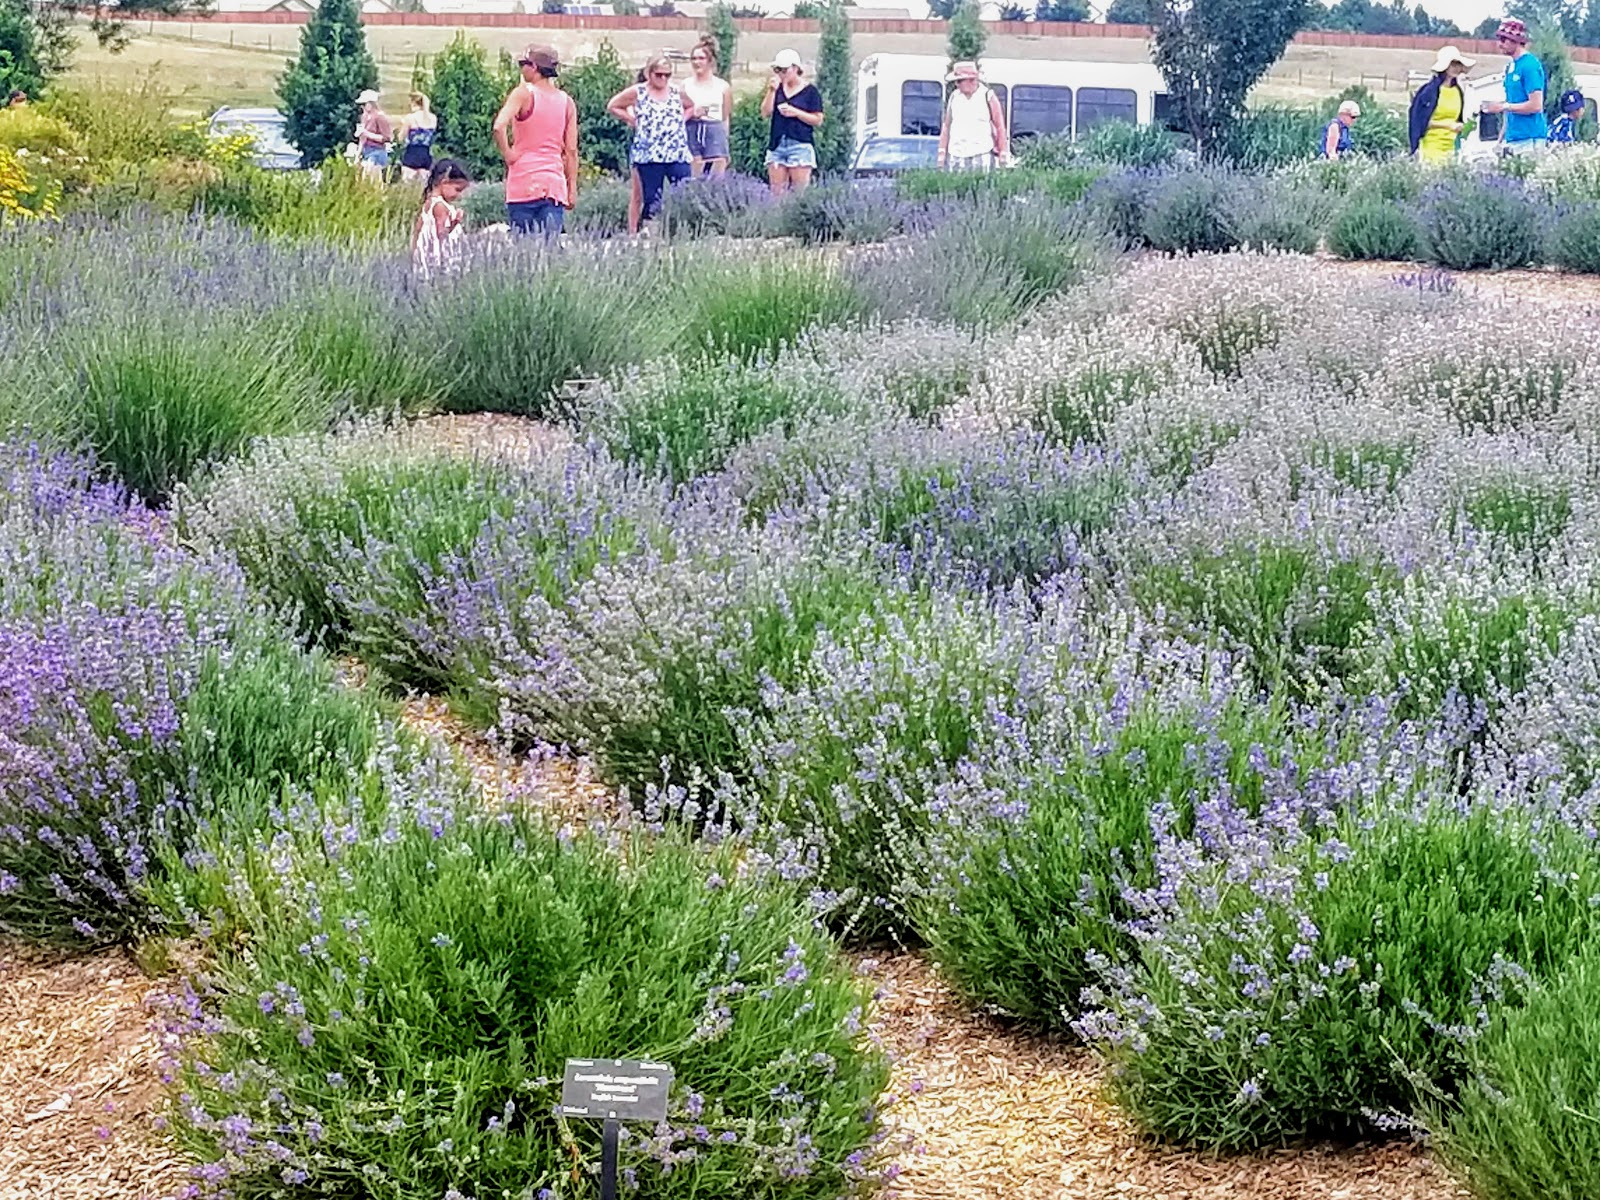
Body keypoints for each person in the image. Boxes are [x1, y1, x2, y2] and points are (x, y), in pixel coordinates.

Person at [493, 44, 580, 239]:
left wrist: (508, 153)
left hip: (523, 182)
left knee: (523, 251)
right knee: (549, 252)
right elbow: (571, 150)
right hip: (553, 184)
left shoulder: (523, 93)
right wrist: (571, 188)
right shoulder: (566, 102)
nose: (521, 69)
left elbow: (499, 126)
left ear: (533, 67)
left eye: (523, 64)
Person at [607, 55, 694, 234]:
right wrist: (631, 119)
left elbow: (690, 106)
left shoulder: (676, 92)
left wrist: (680, 121)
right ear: (649, 73)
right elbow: (613, 105)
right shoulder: (638, 92)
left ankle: (681, 230)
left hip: (675, 151)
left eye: (667, 75)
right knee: (652, 196)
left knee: (684, 192)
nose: (663, 79)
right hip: (649, 153)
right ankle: (650, 232)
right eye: (659, 75)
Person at [761, 49, 824, 194]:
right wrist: (771, 91)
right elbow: (765, 112)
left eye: (784, 70)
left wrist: (796, 113)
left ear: (795, 69)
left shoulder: (810, 92)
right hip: (777, 145)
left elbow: (818, 119)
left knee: (799, 194)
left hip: (800, 144)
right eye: (778, 70)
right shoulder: (777, 89)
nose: (781, 74)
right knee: (777, 194)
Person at [1482, 18, 1547, 154]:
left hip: (1530, 137)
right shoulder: (1510, 67)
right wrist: (1500, 141)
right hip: (1513, 137)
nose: (1499, 44)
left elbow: (1536, 105)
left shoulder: (1530, 66)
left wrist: (1503, 106)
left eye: (1503, 40)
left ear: (1516, 41)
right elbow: (1510, 106)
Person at [937, 60, 1009, 172]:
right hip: (956, 154)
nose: (957, 84)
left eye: (960, 81)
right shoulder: (954, 97)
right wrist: (942, 152)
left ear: (972, 80)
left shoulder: (987, 96)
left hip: (981, 153)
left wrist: (1003, 152)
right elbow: (947, 126)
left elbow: (1000, 126)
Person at [1408, 45, 1472, 164]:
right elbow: (1419, 121)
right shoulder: (1429, 92)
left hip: (1452, 146)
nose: (1456, 68)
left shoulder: (1458, 91)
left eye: (1458, 64)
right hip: (1432, 145)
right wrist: (1447, 125)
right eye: (1452, 64)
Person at [412, 159, 470, 279]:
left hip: (428, 256)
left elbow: (418, 229)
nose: (459, 196)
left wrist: (415, 251)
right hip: (440, 258)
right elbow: (441, 233)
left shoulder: (428, 203)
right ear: (444, 182)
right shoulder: (440, 206)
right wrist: (454, 223)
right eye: (457, 190)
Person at [684, 38, 733, 177]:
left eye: (701, 58)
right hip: (691, 130)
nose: (696, 62)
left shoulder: (722, 87)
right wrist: (692, 113)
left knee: (715, 179)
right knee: (693, 178)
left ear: (709, 61)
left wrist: (725, 142)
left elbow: (725, 117)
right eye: (693, 58)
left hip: (714, 131)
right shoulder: (685, 85)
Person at [397, 92, 439, 184]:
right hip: (426, 154)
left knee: (407, 184)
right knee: (423, 185)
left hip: (411, 154)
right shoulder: (433, 118)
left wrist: (402, 125)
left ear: (413, 103)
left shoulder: (410, 118)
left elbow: (400, 137)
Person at [354, 90, 393, 181]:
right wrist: (357, 154)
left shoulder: (380, 117)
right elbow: (362, 138)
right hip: (366, 150)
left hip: (377, 151)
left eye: (364, 104)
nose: (362, 107)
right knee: (364, 179)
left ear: (371, 103)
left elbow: (386, 138)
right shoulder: (364, 117)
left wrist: (367, 134)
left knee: (372, 179)